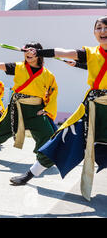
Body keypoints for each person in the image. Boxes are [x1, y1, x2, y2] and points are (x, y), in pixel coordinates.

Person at [33, 16, 107, 201]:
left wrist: (80, 65)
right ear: (94, 32)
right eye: (99, 27)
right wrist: (40, 52)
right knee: (66, 136)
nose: (103, 31)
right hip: (93, 108)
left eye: (106, 27)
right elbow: (64, 52)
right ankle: (32, 173)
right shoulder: (91, 52)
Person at [0, 42, 58, 186]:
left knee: (47, 135)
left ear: (39, 54)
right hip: (17, 108)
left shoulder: (48, 75)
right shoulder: (18, 67)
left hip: (36, 111)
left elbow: (53, 93)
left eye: (32, 51)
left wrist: (47, 110)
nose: (28, 54)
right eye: (26, 51)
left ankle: (40, 165)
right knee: (1, 129)